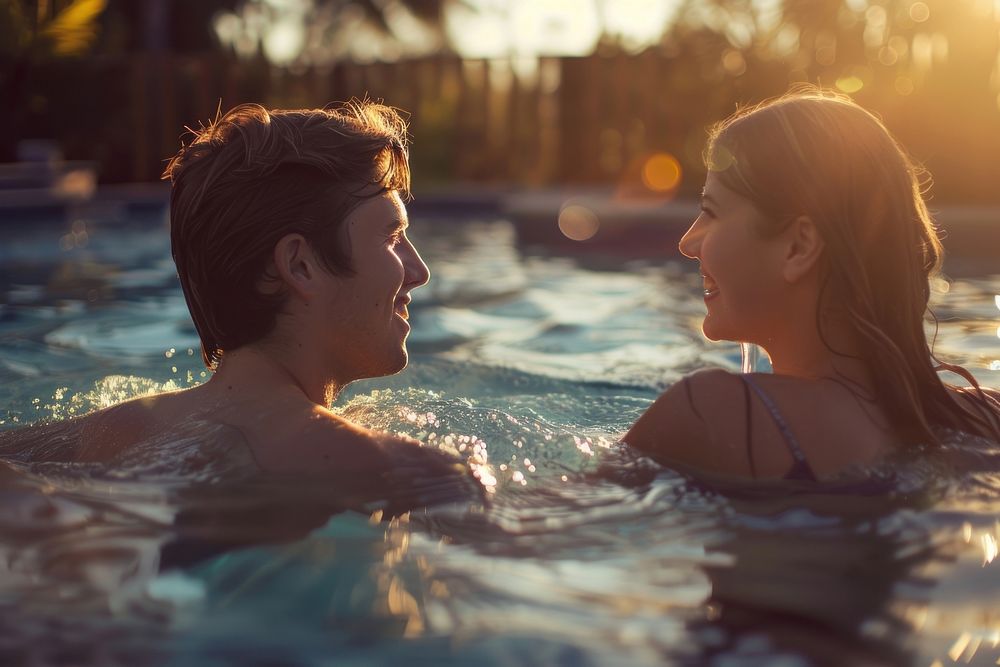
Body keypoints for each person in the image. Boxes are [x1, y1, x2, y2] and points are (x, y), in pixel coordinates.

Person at [0, 102, 478, 500]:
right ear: (300, 266)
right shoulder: (403, 471)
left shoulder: (116, 429)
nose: (419, 272)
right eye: (393, 238)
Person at [625, 88, 1000, 481]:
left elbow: (568, 522)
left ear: (798, 247)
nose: (688, 242)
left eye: (710, 212)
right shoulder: (985, 418)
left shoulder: (713, 413)